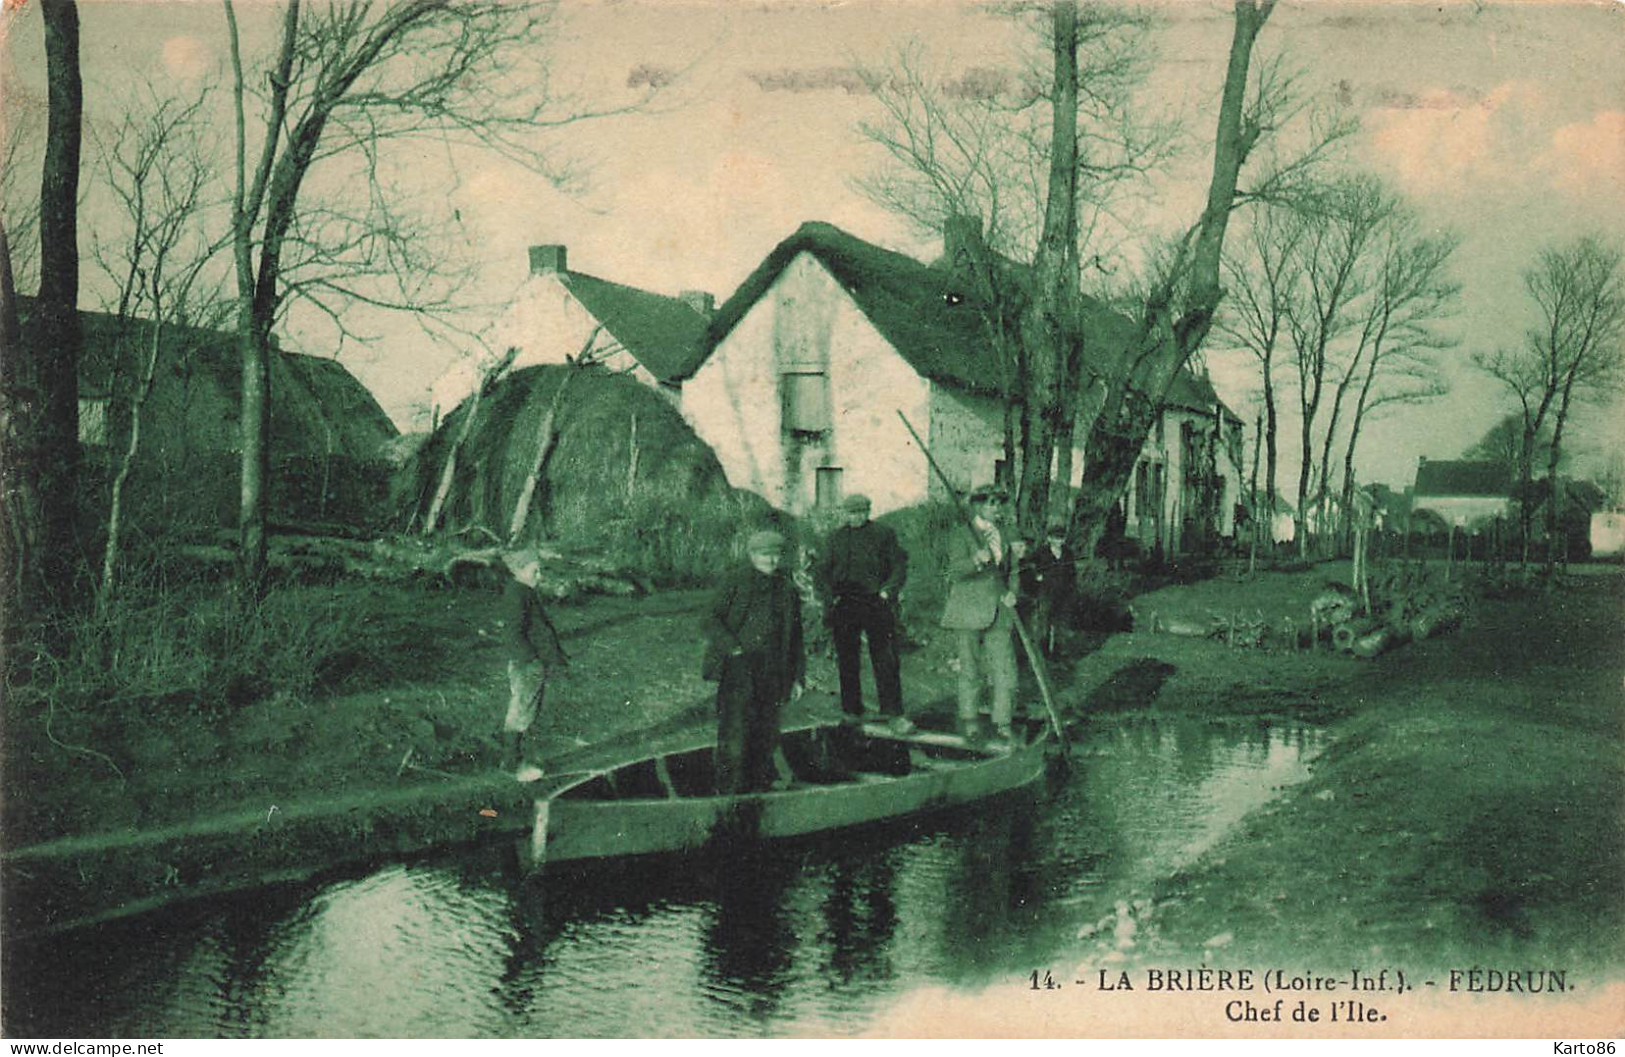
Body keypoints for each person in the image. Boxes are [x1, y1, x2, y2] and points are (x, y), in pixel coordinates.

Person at [702, 529, 806, 794]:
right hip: (739, 669)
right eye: (764, 555)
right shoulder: (735, 581)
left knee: (767, 730)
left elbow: (795, 638)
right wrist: (732, 648)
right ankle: (729, 793)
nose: (770, 561)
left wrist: (797, 677)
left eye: (776, 555)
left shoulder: (787, 588)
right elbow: (710, 619)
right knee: (735, 731)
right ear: (751, 555)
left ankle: (759, 789)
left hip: (773, 669)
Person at [818, 494, 910, 733]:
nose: (856, 517)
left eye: (860, 512)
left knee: (885, 659)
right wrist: (830, 598)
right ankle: (851, 711)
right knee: (847, 660)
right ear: (844, 513)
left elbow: (899, 566)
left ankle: (894, 714)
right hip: (845, 604)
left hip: (875, 603)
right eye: (851, 512)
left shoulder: (884, 534)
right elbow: (821, 573)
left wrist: (888, 591)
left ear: (868, 511)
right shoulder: (835, 538)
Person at [940, 486, 1024, 744]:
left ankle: (1003, 723)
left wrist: (1012, 592)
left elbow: (1014, 570)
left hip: (1000, 610)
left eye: (999, 503)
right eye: (991, 504)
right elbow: (953, 572)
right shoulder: (962, 534)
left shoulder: (1007, 534)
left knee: (1005, 670)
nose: (996, 508)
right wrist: (976, 560)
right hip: (968, 610)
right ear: (977, 507)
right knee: (970, 669)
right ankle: (970, 722)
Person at [499, 548, 569, 782]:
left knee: (526, 711)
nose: (539, 575)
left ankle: (517, 759)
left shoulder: (524, 591)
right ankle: (513, 765)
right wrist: (530, 659)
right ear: (519, 570)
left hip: (531, 662)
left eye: (540, 570)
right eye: (535, 570)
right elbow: (513, 633)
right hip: (527, 664)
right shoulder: (517, 594)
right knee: (521, 712)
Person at [1022, 521, 1077, 657]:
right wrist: (1036, 576)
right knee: (1044, 620)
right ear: (1049, 538)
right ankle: (1043, 650)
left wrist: (1072, 588)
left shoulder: (1068, 553)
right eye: (1056, 537)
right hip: (1046, 590)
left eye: (1061, 538)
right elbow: (1028, 564)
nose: (1059, 541)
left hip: (1064, 591)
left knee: (1061, 621)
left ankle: (1059, 650)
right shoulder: (1042, 552)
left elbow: (1072, 572)